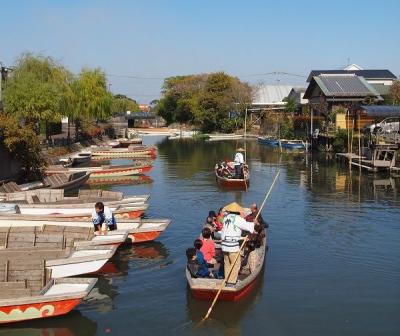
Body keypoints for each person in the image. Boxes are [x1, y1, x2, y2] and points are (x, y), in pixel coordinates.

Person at [220, 202, 254, 285]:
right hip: (232, 246)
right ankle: (231, 282)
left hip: (224, 246)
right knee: (235, 264)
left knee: (227, 263)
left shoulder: (225, 217)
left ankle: (227, 279)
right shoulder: (238, 219)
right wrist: (254, 223)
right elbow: (247, 226)